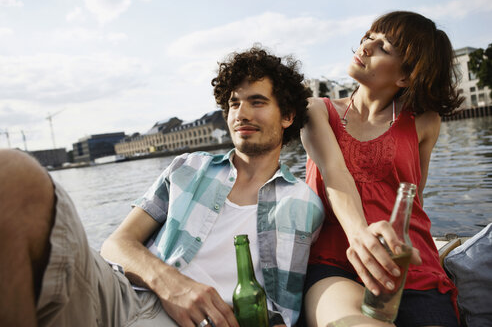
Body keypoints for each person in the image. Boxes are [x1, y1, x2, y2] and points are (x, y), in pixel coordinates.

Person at [0, 47, 324, 327]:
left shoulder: (305, 204)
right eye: (234, 103)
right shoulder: (187, 167)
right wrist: (172, 284)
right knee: (12, 172)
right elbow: (116, 244)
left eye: (257, 102)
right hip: (128, 298)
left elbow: (293, 302)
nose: (241, 113)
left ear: (287, 116)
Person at [300, 11, 463, 327]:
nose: (366, 45)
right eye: (369, 36)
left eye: (384, 47)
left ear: (404, 77)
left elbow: (412, 202)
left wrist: (393, 250)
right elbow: (335, 174)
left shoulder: (425, 122)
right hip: (337, 261)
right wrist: (362, 238)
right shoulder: (317, 110)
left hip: (410, 267)